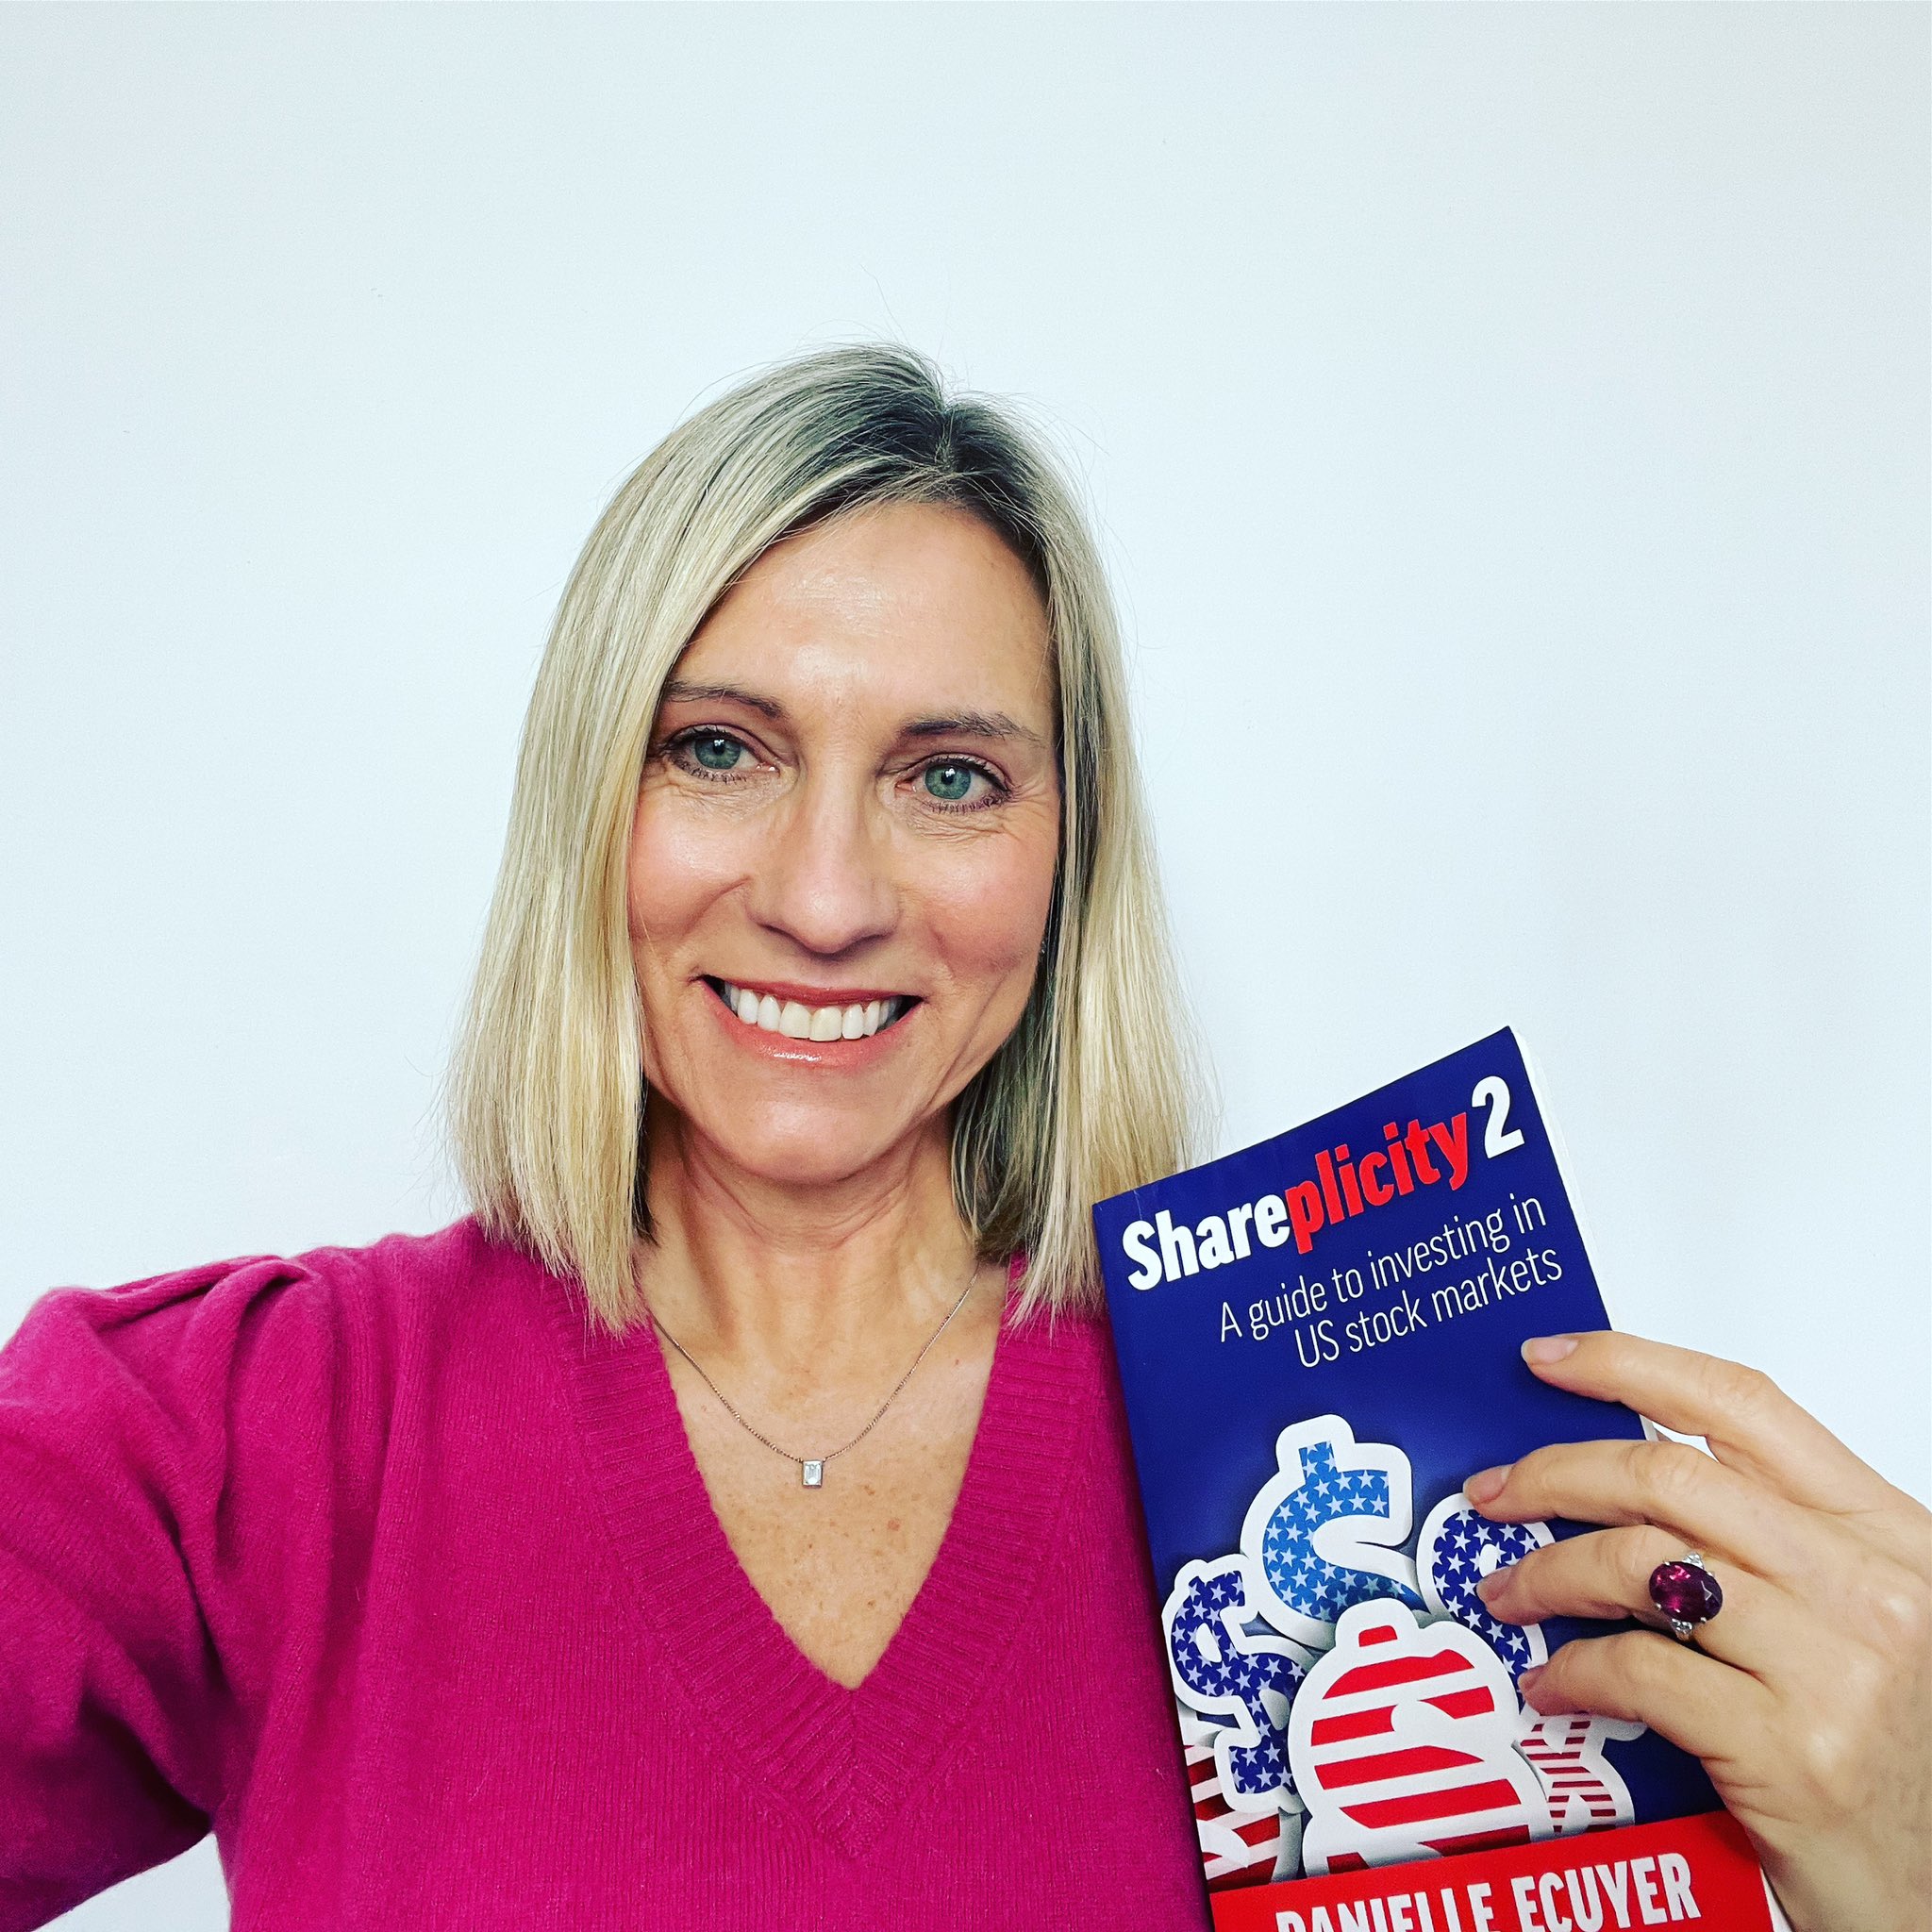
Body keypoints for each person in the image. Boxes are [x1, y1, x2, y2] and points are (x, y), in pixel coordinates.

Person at [0, 344, 1924, 1931]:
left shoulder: (1335, 1459)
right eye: (719, 747)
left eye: (947, 776)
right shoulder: (236, 1434)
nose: (826, 897)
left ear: (1066, 851)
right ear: (591, 796)